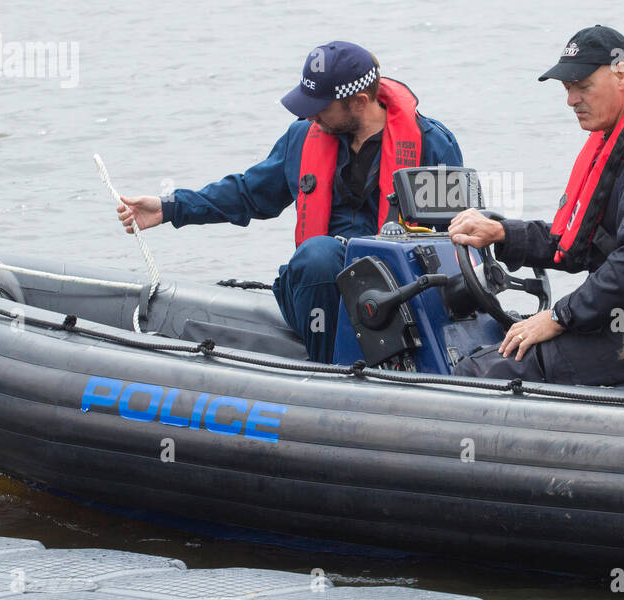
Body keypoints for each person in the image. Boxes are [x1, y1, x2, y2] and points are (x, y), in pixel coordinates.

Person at [117, 41, 462, 362]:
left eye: (320, 108)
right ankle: (330, 374)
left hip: (397, 292)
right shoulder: (302, 138)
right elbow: (247, 192)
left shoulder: (432, 146)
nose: (310, 116)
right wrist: (171, 207)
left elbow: (461, 239)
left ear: (358, 101)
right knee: (317, 256)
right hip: (316, 281)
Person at [448, 25, 624, 386]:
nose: (571, 100)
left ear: (621, 74)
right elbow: (582, 243)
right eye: (567, 89)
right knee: (504, 346)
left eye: (583, 87)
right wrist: (502, 234)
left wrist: (558, 317)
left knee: (487, 370)